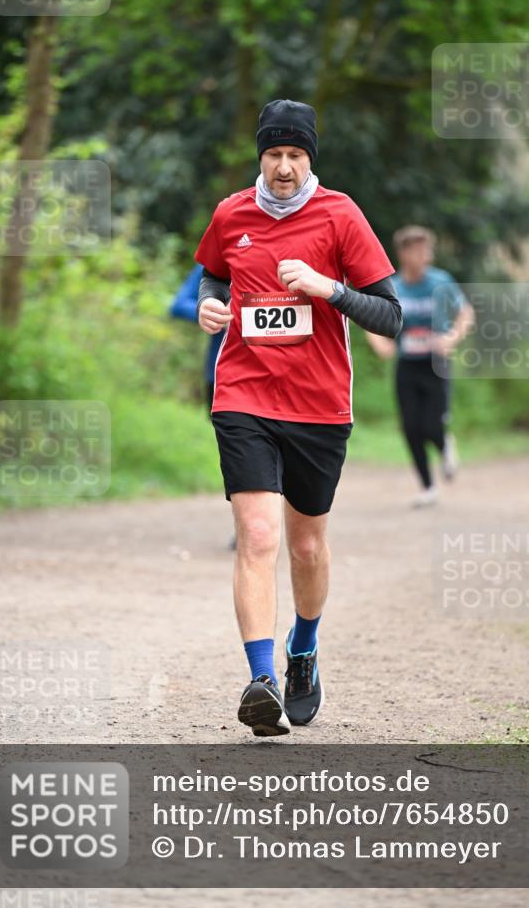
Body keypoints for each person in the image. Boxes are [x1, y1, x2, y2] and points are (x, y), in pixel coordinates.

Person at [195, 99, 402, 737]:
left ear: (310, 157)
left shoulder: (340, 215)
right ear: (259, 155)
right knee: (257, 536)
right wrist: (210, 307)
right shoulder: (232, 214)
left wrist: (328, 288)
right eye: (274, 154)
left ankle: (303, 650)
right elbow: (210, 278)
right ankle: (260, 681)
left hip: (318, 406)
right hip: (243, 395)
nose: (284, 168)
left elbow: (391, 315)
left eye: (295, 155)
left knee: (305, 544)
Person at [366, 225, 474, 507]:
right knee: (411, 427)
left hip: (437, 364)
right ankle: (427, 487)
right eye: (417, 249)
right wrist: (380, 343)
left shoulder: (441, 281)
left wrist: (452, 337)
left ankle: (444, 444)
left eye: (427, 248)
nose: (425, 254)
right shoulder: (395, 287)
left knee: (431, 423)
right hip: (407, 366)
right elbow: (372, 318)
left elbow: (465, 313)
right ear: (403, 253)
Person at [169, 263, 223, 412]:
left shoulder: (288, 261)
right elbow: (179, 305)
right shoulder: (219, 261)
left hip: (279, 371)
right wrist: (216, 313)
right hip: (221, 374)